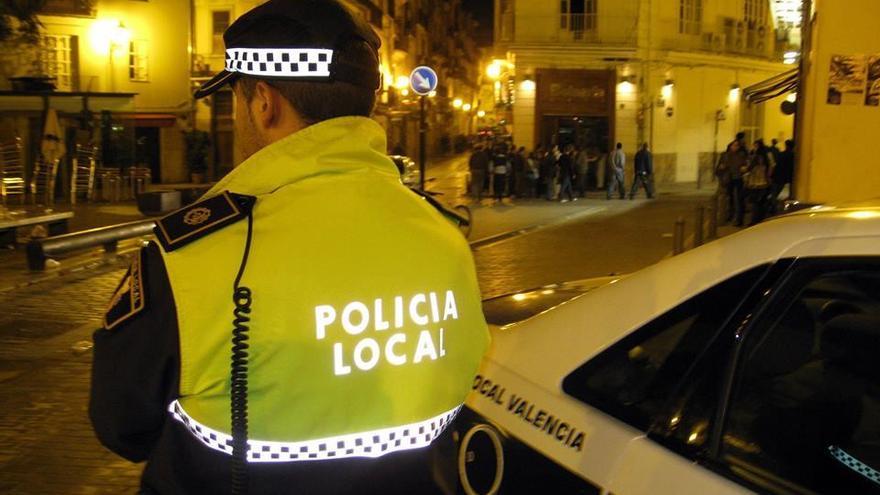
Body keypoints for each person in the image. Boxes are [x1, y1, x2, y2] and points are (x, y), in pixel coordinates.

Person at [89, 2, 490, 494]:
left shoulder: (190, 255)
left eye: (235, 100)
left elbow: (122, 425)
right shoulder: (443, 234)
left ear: (264, 102)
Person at [718, 138, 748, 226]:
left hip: (738, 178)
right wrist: (721, 168)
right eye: (734, 145)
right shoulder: (725, 155)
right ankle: (730, 215)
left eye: (737, 145)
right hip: (728, 178)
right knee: (729, 198)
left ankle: (739, 218)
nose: (735, 147)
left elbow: (746, 165)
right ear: (730, 146)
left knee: (739, 198)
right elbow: (719, 168)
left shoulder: (741, 155)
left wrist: (744, 168)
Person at [744, 139, 773, 225]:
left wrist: (744, 169)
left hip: (756, 182)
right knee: (761, 202)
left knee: (755, 202)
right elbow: (772, 166)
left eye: (755, 145)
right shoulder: (767, 155)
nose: (754, 147)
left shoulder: (756, 156)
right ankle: (761, 218)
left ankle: (754, 220)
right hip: (764, 182)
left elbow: (750, 168)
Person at [769, 139, 794, 214]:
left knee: (775, 194)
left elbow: (776, 166)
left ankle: (773, 209)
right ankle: (777, 209)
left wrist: (771, 175)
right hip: (786, 178)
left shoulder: (781, 154)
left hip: (777, 177)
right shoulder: (793, 156)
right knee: (782, 195)